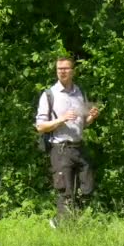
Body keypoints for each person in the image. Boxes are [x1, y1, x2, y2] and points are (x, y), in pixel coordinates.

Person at [35, 57, 99, 228]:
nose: (62, 71)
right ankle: (65, 230)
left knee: (88, 189)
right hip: (60, 149)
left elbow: (82, 123)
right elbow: (40, 126)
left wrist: (91, 117)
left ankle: (61, 222)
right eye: (59, 69)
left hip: (79, 147)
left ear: (73, 71)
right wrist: (61, 119)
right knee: (66, 192)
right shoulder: (49, 95)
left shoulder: (79, 92)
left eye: (65, 68)